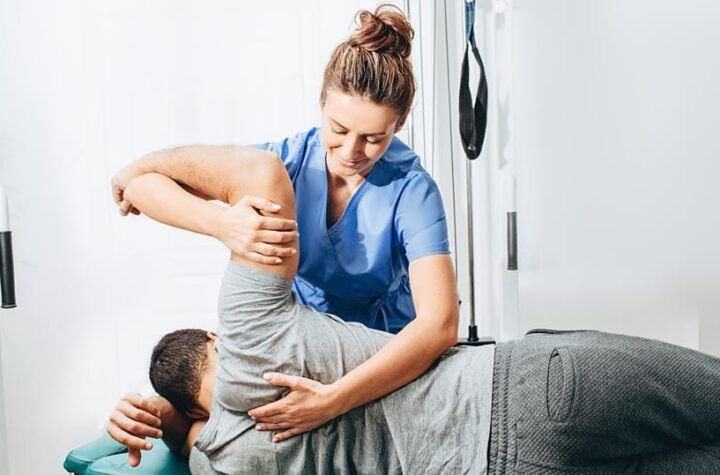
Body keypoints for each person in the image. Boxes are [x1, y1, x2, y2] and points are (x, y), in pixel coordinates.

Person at [108, 151, 720, 474]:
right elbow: (257, 173)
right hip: (520, 394)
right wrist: (199, 209)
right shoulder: (250, 333)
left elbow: (190, 441)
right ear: (216, 334)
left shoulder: (224, 461)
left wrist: (166, 418)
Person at [110, 5, 459, 447]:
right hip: (301, 345)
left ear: (400, 125)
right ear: (321, 103)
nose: (351, 150)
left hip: (381, 356)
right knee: (235, 427)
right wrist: (222, 224)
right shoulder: (286, 163)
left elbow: (440, 324)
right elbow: (142, 188)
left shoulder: (413, 190)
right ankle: (156, 415)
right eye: (339, 128)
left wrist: (333, 401)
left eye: (374, 138)